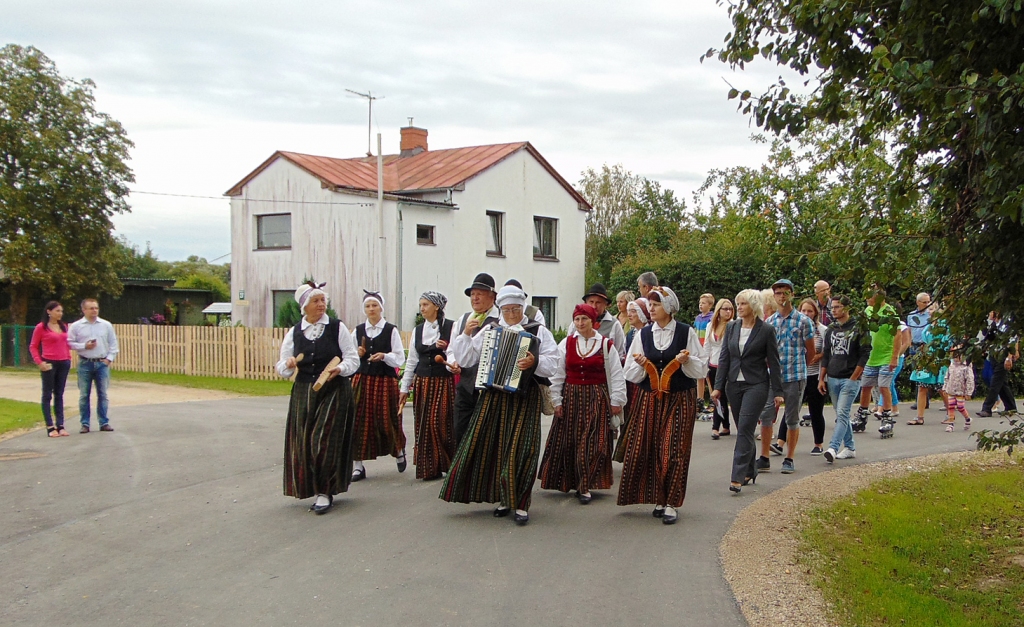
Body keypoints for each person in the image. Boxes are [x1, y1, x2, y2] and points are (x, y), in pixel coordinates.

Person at [440, 285, 559, 525]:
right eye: (506, 310)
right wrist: (465, 335)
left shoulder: (538, 331)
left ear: (522, 307)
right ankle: (504, 499)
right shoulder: (491, 330)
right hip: (494, 396)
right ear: (500, 309)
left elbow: (553, 363)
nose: (511, 314)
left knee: (523, 449)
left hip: (525, 398)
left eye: (515, 309)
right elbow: (466, 359)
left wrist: (534, 362)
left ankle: (521, 502)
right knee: (496, 446)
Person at [618, 286, 708, 525]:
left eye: (656, 304)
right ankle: (659, 498)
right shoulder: (644, 334)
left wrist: (687, 360)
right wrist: (640, 363)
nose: (652, 308)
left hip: (679, 398)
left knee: (673, 449)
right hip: (650, 399)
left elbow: (701, 368)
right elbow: (630, 373)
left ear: (668, 307)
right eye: (650, 304)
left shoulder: (685, 332)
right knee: (652, 449)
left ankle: (671, 502)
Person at [276, 282, 360, 514]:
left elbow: (353, 359)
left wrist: (340, 369)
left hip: (334, 389)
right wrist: (288, 364)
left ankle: (325, 491)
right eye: (316, 301)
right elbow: (282, 367)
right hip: (304, 392)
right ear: (305, 306)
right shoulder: (294, 332)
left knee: (321, 441)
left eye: (323, 300)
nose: (322, 305)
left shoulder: (336, 327)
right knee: (304, 443)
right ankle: (313, 487)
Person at [540, 304, 626, 503]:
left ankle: (585, 484)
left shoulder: (605, 344)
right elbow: (558, 373)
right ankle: (572, 481)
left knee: (593, 442)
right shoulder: (567, 343)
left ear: (592, 321)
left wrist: (617, 400)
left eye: (584, 319)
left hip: (596, 396)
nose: (580, 323)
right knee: (570, 441)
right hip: (571, 396)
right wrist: (557, 401)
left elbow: (616, 373)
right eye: (577, 319)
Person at [712, 289, 783, 494]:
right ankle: (751, 469)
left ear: (753, 306)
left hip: (757, 384)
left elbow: (774, 362)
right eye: (738, 304)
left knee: (744, 428)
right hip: (733, 385)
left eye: (743, 304)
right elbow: (724, 358)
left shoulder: (766, 330)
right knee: (744, 429)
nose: (739, 307)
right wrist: (718, 387)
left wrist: (778, 391)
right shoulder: (732, 327)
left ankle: (737, 477)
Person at [759, 279, 815, 474]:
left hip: (795, 375)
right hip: (773, 377)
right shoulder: (769, 322)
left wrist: (801, 369)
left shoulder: (803, 321)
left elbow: (811, 351)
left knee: (792, 417)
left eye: (785, 292)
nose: (782, 296)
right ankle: (764, 456)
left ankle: (789, 458)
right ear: (774, 297)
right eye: (778, 293)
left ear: (792, 294)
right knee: (766, 416)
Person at [398, 291, 456, 480]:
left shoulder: (451, 327)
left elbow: (457, 353)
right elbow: (412, 361)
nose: (421, 309)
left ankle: (449, 463)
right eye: (421, 305)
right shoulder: (418, 330)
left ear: (436, 307)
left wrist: (446, 349)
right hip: (423, 382)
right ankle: (430, 468)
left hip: (443, 381)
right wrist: (404, 388)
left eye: (425, 305)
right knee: (424, 425)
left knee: (441, 423)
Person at [350, 290, 407, 481]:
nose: (371, 309)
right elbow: (348, 357)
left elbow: (400, 358)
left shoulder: (390, 330)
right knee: (357, 420)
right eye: (368, 306)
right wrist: (357, 354)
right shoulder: (357, 331)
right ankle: (357, 465)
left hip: (384, 380)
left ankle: (398, 450)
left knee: (387, 418)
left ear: (381, 308)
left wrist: (384, 356)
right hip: (362, 379)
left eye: (374, 305)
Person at [447, 273, 500, 443]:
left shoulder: (499, 320)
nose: (475, 298)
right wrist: (453, 363)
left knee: (483, 437)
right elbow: (451, 349)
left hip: (487, 387)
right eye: (472, 294)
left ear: (492, 297)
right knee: (460, 430)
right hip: (465, 385)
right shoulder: (463, 319)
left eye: (480, 294)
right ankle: (462, 469)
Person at [773, 298, 828, 455]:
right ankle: (780, 443)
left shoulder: (822, 330)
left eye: (810, 311)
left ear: (815, 313)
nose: (806, 313)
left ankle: (818, 443)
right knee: (791, 410)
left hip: (815, 375)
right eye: (803, 310)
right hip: (797, 374)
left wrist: (815, 361)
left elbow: (826, 352)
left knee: (815, 411)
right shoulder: (795, 325)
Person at [819, 295, 870, 463]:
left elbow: (864, 354)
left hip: (850, 377)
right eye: (832, 307)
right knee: (841, 414)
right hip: (833, 377)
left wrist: (854, 377)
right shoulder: (831, 329)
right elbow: (826, 354)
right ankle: (850, 447)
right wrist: (822, 378)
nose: (834, 310)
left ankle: (833, 447)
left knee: (841, 413)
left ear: (847, 308)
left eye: (838, 307)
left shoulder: (859, 327)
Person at [67, 298, 119, 433]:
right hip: (85, 363)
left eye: (96, 308)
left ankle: (104, 422)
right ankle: (85, 424)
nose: (94, 311)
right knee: (84, 395)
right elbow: (69, 343)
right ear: (84, 310)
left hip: (101, 363)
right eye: (91, 308)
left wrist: (109, 359)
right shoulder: (76, 326)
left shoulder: (106, 325)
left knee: (103, 394)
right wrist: (84, 345)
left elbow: (113, 344)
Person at [854, 287, 898, 435]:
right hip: (870, 356)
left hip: (886, 355)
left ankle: (886, 416)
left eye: (869, 295)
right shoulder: (867, 311)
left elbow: (898, 335)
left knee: (883, 386)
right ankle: (862, 415)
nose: (866, 298)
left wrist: (894, 357)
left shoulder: (890, 312)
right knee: (865, 386)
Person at [614, 298, 652, 462]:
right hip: (630, 380)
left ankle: (640, 454)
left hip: (644, 381)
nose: (629, 314)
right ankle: (630, 453)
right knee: (629, 417)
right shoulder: (631, 333)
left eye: (634, 311)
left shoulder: (650, 332)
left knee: (641, 418)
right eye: (629, 311)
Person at [30, 301, 72, 437]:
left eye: (61, 311)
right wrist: (39, 362)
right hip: (49, 362)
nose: (60, 313)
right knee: (47, 394)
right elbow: (33, 346)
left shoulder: (64, 326)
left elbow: (68, 343)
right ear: (49, 311)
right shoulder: (41, 327)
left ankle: (60, 425)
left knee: (59, 394)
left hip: (64, 361)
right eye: (57, 311)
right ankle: (50, 426)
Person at [567, 284, 627, 359]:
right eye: (591, 302)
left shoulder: (614, 324)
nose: (594, 306)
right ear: (586, 303)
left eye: (598, 302)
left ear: (605, 304)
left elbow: (619, 354)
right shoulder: (576, 323)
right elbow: (568, 348)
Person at [976, 312, 1019, 417]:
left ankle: (986, 408)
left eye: (991, 312)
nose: (989, 313)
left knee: (995, 383)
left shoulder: (1006, 324)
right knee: (1002, 383)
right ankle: (1011, 407)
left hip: (1003, 355)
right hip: (994, 355)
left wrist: (1009, 357)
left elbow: (1012, 341)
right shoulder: (992, 324)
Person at [705, 298, 734, 439]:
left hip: (728, 366)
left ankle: (718, 427)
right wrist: (704, 366)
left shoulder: (734, 325)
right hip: (713, 365)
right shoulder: (710, 326)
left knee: (727, 396)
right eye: (725, 309)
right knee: (718, 398)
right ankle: (722, 426)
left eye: (730, 309)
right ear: (718, 310)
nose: (728, 312)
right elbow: (707, 346)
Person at [906, 293, 933, 410]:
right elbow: (909, 329)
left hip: (925, 345)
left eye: (928, 302)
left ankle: (922, 400)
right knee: (916, 373)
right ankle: (923, 400)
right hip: (914, 346)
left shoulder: (931, 315)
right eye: (924, 302)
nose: (927, 304)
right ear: (918, 302)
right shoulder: (912, 315)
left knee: (924, 374)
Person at [942, 345, 975, 432]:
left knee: (960, 406)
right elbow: (947, 377)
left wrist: (969, 392)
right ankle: (951, 424)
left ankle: (967, 419)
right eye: (954, 356)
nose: (956, 358)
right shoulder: (951, 366)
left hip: (961, 391)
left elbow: (970, 380)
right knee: (951, 406)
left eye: (958, 356)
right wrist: (945, 387)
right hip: (951, 390)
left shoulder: (966, 367)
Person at [694, 293, 715, 413]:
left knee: (708, 376)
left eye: (703, 303)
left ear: (710, 305)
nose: (701, 305)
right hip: (699, 350)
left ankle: (713, 399)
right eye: (700, 303)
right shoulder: (698, 318)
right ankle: (700, 400)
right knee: (699, 375)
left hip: (708, 350)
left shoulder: (712, 318)